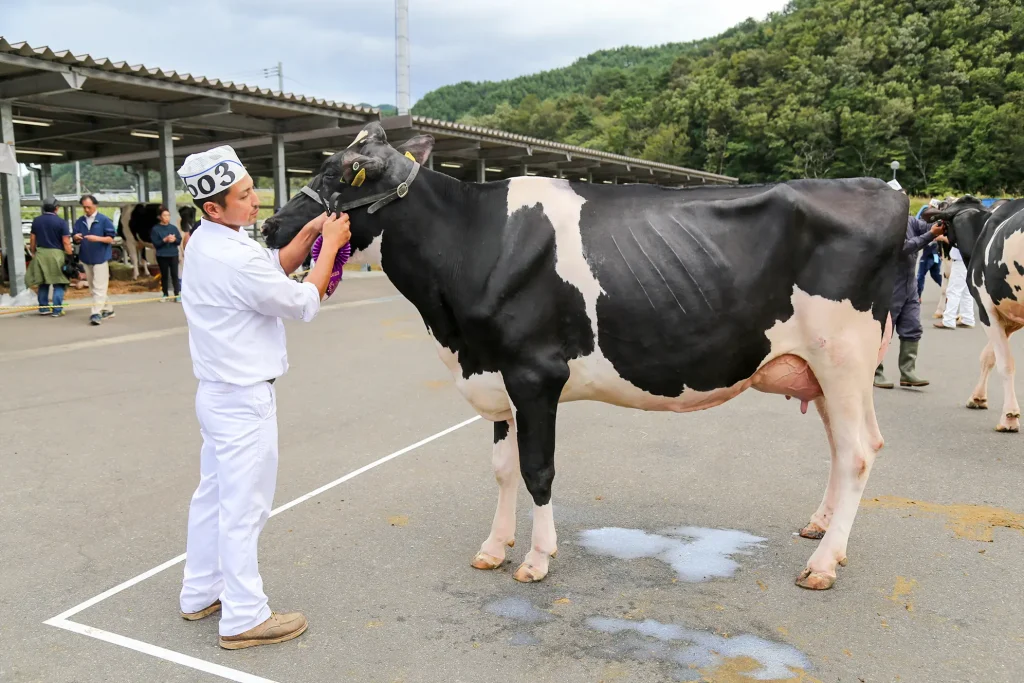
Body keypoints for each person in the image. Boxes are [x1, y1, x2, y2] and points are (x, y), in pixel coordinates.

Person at [176, 145, 351, 650]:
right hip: (243, 400)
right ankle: (244, 617)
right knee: (244, 507)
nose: (256, 201)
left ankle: (200, 591)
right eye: (245, 194)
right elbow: (300, 301)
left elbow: (272, 265)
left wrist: (310, 233)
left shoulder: (213, 241)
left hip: (218, 395)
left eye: (253, 189)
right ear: (213, 207)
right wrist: (334, 242)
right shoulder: (229, 256)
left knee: (213, 497)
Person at [875, 179, 945, 389]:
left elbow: (926, 226)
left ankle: (908, 372)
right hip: (888, 286)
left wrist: (942, 223)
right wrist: (931, 235)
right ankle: (874, 371)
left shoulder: (910, 221)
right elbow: (904, 247)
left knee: (912, 327)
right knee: (881, 331)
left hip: (908, 285)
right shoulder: (883, 223)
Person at [72, 195, 117, 325]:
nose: (86, 210)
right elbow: (74, 237)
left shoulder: (104, 220)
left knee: (99, 286)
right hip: (86, 257)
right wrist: (76, 237)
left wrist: (97, 238)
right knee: (93, 287)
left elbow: (110, 238)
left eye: (89, 207)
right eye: (84, 207)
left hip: (101, 257)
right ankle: (108, 309)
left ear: (95, 205)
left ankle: (95, 313)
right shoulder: (80, 221)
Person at [25, 198, 73, 316]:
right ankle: (57, 310)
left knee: (43, 282)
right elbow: (66, 241)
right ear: (56, 208)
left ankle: (43, 308)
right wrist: (70, 256)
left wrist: (33, 252)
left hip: (41, 253)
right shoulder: (61, 222)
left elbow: (32, 239)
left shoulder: (36, 221)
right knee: (59, 282)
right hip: (57, 254)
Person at [934, 240, 975, 330]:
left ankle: (948, 320)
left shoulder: (962, 229)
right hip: (969, 261)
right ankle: (968, 318)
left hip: (960, 261)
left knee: (953, 291)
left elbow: (954, 240)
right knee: (966, 291)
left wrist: (941, 237)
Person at [150, 206, 182, 301]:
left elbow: (179, 241)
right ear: (160, 217)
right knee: (164, 275)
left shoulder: (173, 228)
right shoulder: (156, 229)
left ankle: (177, 294)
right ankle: (165, 294)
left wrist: (174, 239)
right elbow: (156, 244)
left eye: (168, 215)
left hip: (173, 254)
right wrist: (165, 240)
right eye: (164, 215)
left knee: (175, 275)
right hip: (162, 255)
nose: (167, 217)